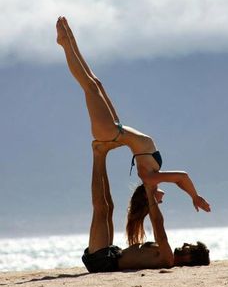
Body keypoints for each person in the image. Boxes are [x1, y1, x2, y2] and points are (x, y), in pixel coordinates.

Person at [56, 16, 211, 214]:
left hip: (110, 132)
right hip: (116, 129)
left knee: (89, 87)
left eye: (158, 202)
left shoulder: (149, 179)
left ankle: (65, 46)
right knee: (96, 84)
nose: (162, 200)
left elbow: (182, 177)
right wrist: (192, 195)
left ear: (149, 197)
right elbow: (179, 181)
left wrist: (195, 197)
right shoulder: (155, 176)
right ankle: (69, 39)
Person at [82, 141, 210, 273]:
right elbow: (156, 224)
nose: (185, 245)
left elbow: (158, 224)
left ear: (190, 259)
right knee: (109, 207)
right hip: (110, 253)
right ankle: (102, 155)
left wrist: (150, 192)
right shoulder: (166, 253)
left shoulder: (168, 259)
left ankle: (97, 155)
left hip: (103, 261)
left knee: (101, 209)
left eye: (189, 248)